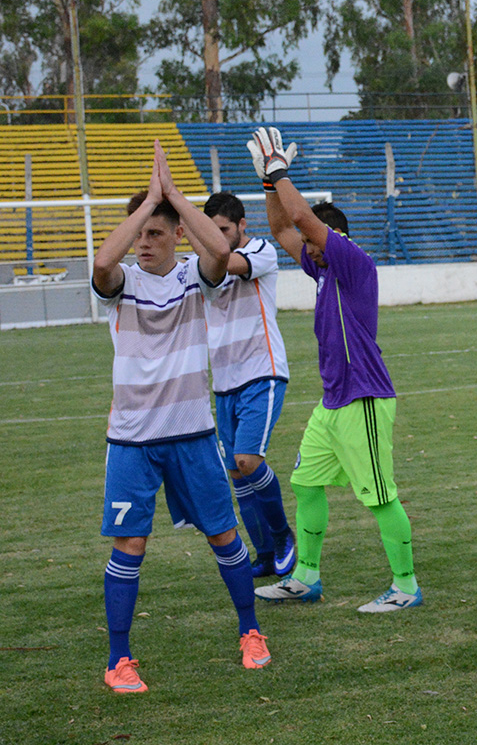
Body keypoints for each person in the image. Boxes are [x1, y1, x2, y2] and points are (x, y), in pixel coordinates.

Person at [92, 141, 270, 694]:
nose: (145, 243)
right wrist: (148, 203)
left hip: (193, 436)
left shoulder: (196, 276)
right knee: (130, 546)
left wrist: (174, 196)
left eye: (156, 233)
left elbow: (218, 249)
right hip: (131, 442)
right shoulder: (121, 284)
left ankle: (251, 632)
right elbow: (101, 263)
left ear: (176, 237)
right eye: (139, 232)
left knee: (223, 535)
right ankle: (119, 660)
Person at [247, 127, 421, 613]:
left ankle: (406, 586)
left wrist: (280, 168)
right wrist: (267, 185)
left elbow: (300, 216)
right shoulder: (323, 268)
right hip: (333, 402)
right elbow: (285, 228)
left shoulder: (350, 258)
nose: (306, 248)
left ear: (334, 236)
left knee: (380, 495)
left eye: (313, 241)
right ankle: (306, 577)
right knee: (305, 483)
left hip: (363, 397)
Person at [202, 191, 296, 579]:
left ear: (242, 226)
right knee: (237, 477)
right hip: (224, 382)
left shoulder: (261, 251)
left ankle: (283, 536)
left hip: (262, 372)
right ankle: (264, 553)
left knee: (247, 460)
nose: (217, 237)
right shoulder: (203, 261)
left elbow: (226, 264)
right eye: (211, 231)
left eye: (223, 229)